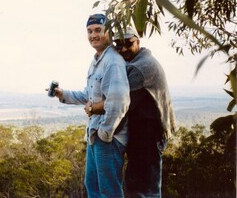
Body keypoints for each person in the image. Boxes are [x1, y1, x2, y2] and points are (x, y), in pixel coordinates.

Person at [48, 14, 130, 197]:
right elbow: (89, 95)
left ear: (108, 32)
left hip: (108, 137)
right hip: (95, 134)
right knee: (92, 186)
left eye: (98, 30)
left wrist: (105, 133)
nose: (93, 35)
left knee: (109, 191)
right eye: (90, 31)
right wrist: (63, 94)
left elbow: (119, 101)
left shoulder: (113, 62)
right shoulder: (96, 61)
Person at [89, 26, 176, 197]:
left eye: (128, 44)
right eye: (118, 45)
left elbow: (118, 100)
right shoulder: (140, 60)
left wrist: (92, 107)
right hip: (144, 133)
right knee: (138, 185)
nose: (124, 49)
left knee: (144, 189)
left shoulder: (139, 68)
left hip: (150, 135)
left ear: (138, 41)